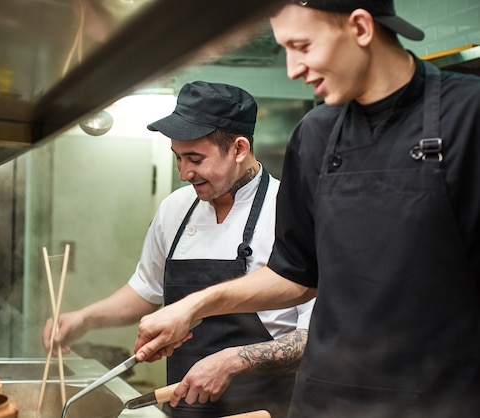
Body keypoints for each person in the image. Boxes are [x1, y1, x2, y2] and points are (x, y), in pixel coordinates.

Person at [133, 1, 480, 418]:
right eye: (285, 50)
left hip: (440, 398)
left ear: (361, 28)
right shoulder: (314, 135)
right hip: (325, 399)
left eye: (302, 46)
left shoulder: (468, 116)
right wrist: (193, 306)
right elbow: (295, 274)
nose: (293, 69)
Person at [42, 80, 315, 418]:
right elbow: (146, 289)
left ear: (239, 149)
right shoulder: (176, 208)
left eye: (195, 159)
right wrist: (85, 319)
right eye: (177, 158)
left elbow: (314, 340)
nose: (185, 172)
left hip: (263, 411)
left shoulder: (290, 213)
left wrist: (232, 361)